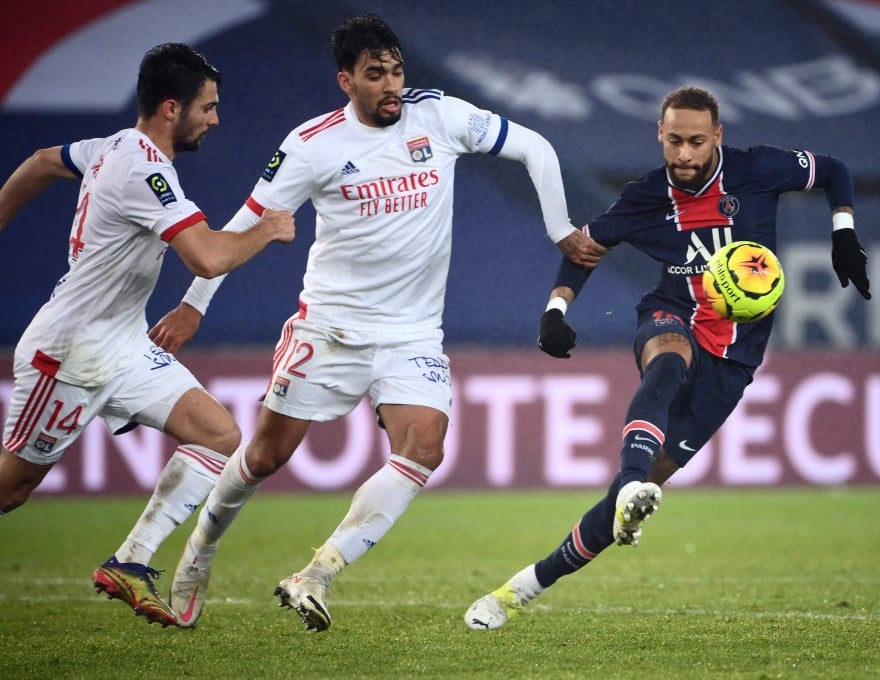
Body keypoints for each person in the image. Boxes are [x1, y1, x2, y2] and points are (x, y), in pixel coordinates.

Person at [151, 13, 605, 631]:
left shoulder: (438, 116)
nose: (392, 85)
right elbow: (242, 223)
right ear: (346, 82)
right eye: (375, 75)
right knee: (264, 456)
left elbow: (535, 146)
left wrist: (559, 229)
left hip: (412, 333)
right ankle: (199, 552)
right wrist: (192, 304)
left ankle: (317, 573)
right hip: (330, 329)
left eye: (396, 71)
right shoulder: (312, 145)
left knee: (425, 448)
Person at [464, 86, 871, 630]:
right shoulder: (647, 196)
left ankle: (520, 589)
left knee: (622, 503)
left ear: (717, 137)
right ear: (659, 133)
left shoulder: (757, 170)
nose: (683, 154)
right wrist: (555, 311)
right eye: (674, 140)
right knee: (668, 360)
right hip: (672, 313)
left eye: (697, 142)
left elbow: (834, 169)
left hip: (735, 357)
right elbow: (584, 249)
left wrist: (842, 231)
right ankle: (633, 482)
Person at [0, 43, 295, 628]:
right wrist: (266, 231)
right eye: (207, 108)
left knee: (218, 434)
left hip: (124, 346)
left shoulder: (110, 147)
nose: (215, 119)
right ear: (170, 108)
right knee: (10, 490)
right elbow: (207, 258)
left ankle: (129, 562)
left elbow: (39, 160)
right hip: (70, 355)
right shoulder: (144, 168)